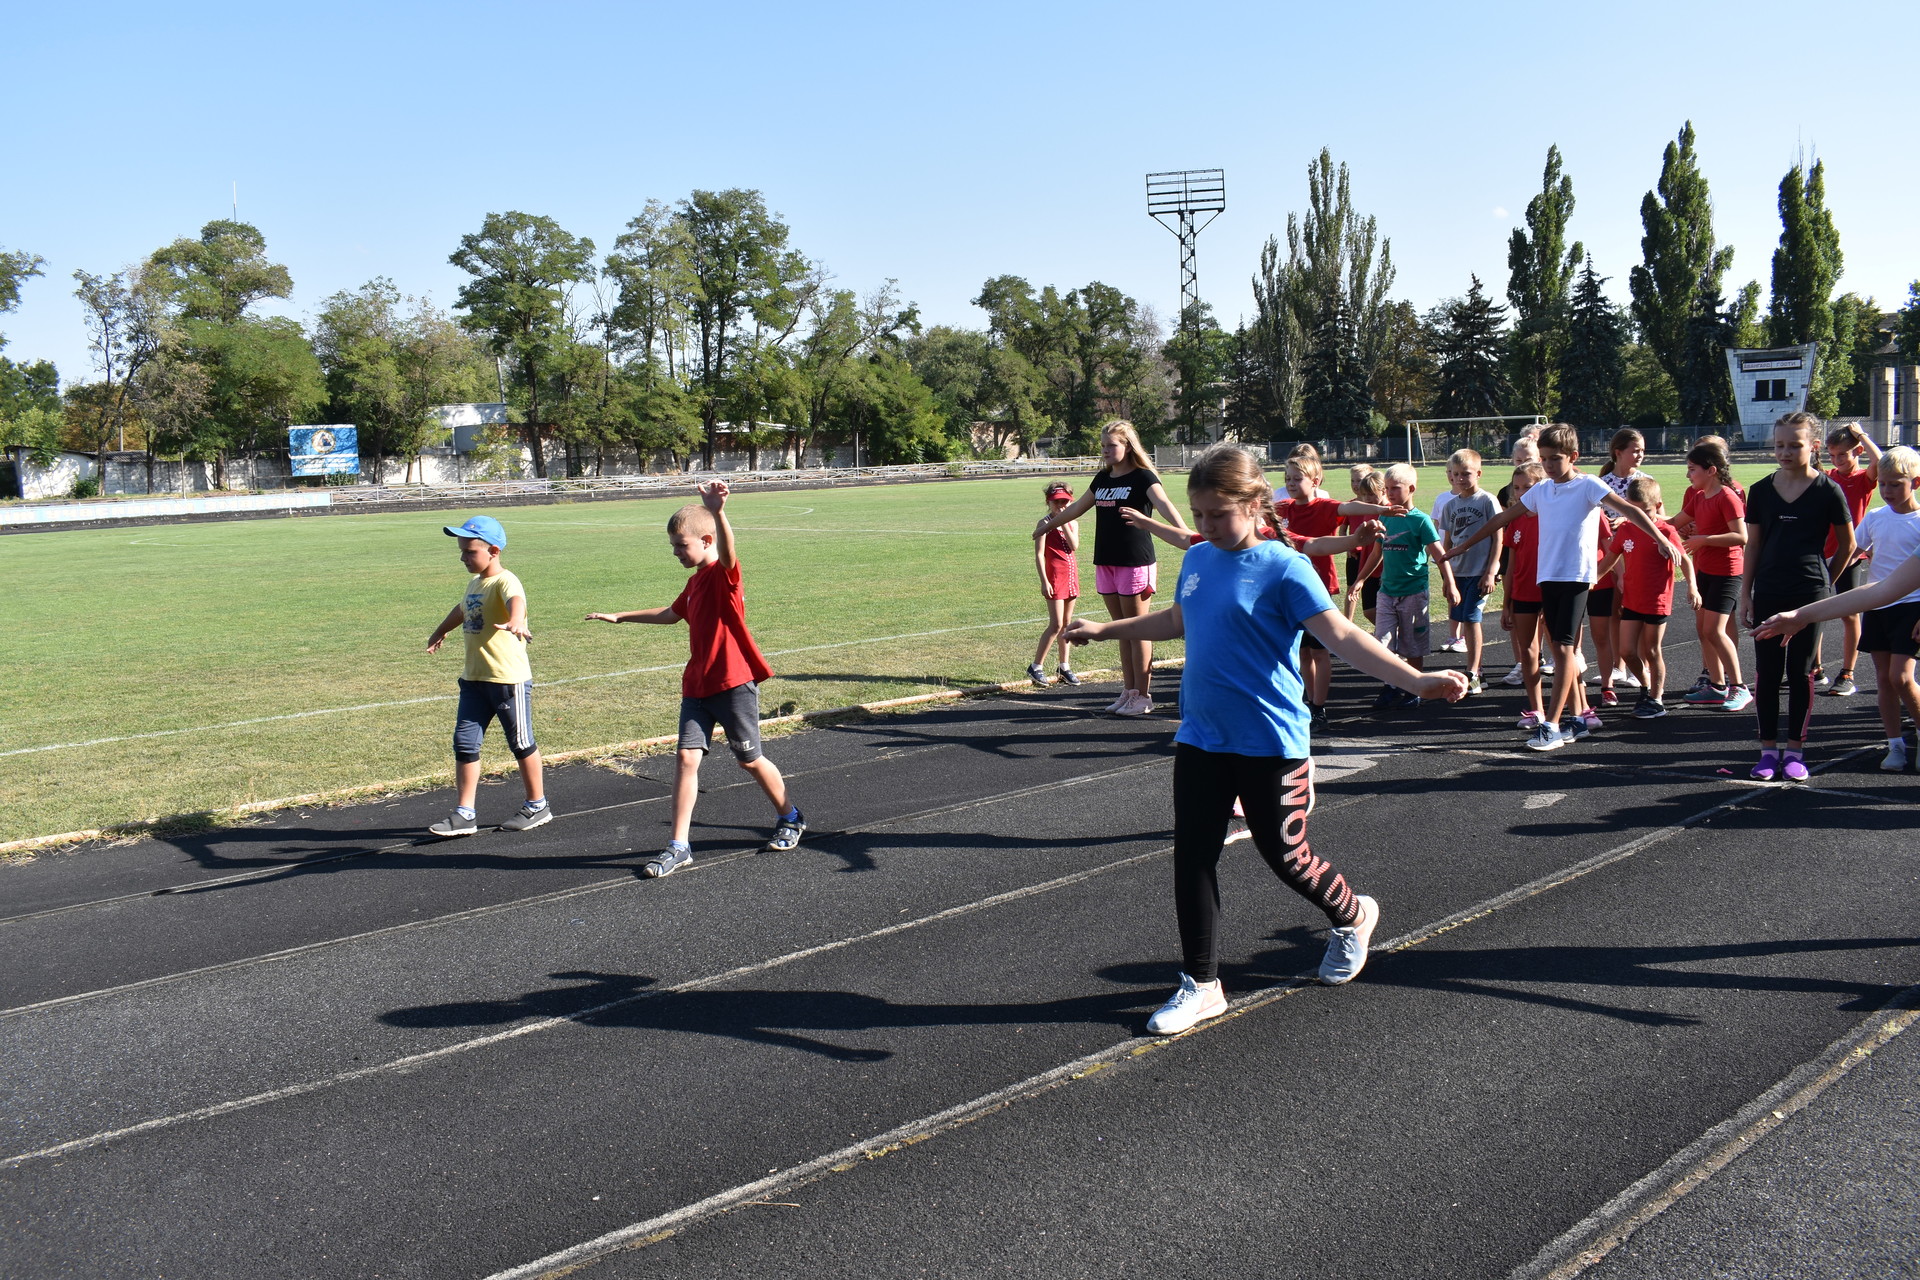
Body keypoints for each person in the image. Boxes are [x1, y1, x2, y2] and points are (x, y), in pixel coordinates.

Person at [1061, 445, 1467, 1036]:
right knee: (1192, 857)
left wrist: (1418, 680)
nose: (1204, 526)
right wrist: (1105, 628)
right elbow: (1177, 620)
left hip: (1270, 741)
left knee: (1287, 859)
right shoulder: (1199, 558)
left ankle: (1353, 915)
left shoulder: (1284, 567)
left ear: (1254, 505)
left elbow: (1342, 636)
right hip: (1201, 736)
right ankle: (1202, 984)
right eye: (1198, 514)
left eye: (1217, 514)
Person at [584, 481, 804, 875]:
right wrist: (621, 616)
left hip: (733, 685)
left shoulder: (723, 576)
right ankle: (678, 845)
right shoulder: (694, 582)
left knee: (750, 761)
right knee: (686, 759)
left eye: (680, 545)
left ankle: (790, 816)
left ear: (706, 541)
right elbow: (672, 614)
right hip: (697, 686)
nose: (675, 552)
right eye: (673, 546)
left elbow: (730, 554)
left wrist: (718, 512)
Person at [1442, 424, 1675, 751]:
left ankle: (1551, 725)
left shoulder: (1588, 485)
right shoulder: (1542, 490)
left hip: (1576, 579)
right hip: (1547, 578)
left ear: (1573, 456)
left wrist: (1661, 537)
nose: (1549, 465)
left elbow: (1631, 511)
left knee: (1564, 648)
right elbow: (1503, 519)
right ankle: (1577, 720)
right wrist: (1463, 546)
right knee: (1559, 648)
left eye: (1556, 459)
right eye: (1544, 459)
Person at [1035, 420, 1189, 716]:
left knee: (1137, 629)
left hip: (1135, 562)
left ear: (1127, 446)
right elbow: (1077, 507)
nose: (1105, 450)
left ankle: (1142, 696)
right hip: (1106, 561)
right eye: (1103, 445)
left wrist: (1186, 534)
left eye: (1112, 445)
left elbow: (1165, 505)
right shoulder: (1103, 478)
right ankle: (1128, 691)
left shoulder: (1143, 477)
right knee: (1120, 629)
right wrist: (1047, 526)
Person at [1740, 412, 1856, 781]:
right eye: (1779, 445)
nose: (1785, 452)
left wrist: (1825, 587)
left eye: (1794, 445)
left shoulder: (1827, 490)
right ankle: (1767, 751)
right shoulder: (1760, 490)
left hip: (1809, 594)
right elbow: (1753, 545)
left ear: (1814, 446)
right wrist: (1746, 592)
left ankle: (1794, 751)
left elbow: (1848, 545)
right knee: (1767, 673)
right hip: (1769, 590)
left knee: (1800, 672)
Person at [424, 515, 550, 837]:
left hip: (507, 680)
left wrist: (517, 620)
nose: (463, 558)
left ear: (493, 551)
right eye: (461, 551)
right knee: (465, 743)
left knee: (521, 743)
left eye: (470, 552)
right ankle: (464, 814)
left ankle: (538, 805)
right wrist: (440, 630)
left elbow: (516, 601)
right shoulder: (475, 583)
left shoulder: (506, 581)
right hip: (474, 681)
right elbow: (463, 609)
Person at [1273, 457, 1397, 726]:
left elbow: (1350, 506)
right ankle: (1309, 700)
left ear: (1315, 481)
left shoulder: (1324, 506)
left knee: (1319, 651)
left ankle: (1319, 706)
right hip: (1287, 588)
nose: (1291, 484)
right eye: (1287, 479)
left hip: (1316, 586)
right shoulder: (1282, 508)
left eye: (1297, 479)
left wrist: (1382, 509)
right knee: (1302, 652)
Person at [1833, 447, 1920, 768]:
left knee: (1901, 678)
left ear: (1916, 483)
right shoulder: (1875, 517)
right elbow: (1852, 550)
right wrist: (1822, 577)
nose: (1887, 490)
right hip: (1879, 606)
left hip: (1912, 608)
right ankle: (1895, 746)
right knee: (1884, 679)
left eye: (1896, 484)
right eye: (1883, 484)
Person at [1595, 478, 1696, 719]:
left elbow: (1685, 561)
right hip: (1632, 600)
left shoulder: (1665, 532)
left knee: (1651, 650)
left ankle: (1656, 697)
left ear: (1658, 505)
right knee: (1627, 650)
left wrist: (1692, 587)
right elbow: (1610, 559)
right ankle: (1645, 685)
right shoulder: (1626, 530)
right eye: (1634, 510)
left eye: (1646, 511)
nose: (1639, 516)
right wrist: (1593, 579)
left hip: (1656, 601)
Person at [1367, 464, 1460, 709]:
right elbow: (1377, 553)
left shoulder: (1421, 521)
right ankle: (1390, 685)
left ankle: (1414, 688)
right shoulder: (1384, 517)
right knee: (1382, 642)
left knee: (1412, 644)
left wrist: (1450, 583)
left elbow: (1439, 554)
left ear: (1411, 489)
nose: (1390, 494)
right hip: (1387, 591)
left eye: (1395, 488)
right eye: (1387, 489)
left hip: (1413, 593)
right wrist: (1360, 580)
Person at [1676, 442, 1752, 712]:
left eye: (1692, 469)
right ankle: (1717, 686)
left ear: (1711, 470)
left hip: (1727, 572)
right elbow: (1674, 522)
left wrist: (1704, 539)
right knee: (1705, 630)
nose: (1688, 475)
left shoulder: (1727, 497)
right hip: (1705, 570)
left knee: (1714, 630)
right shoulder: (1699, 497)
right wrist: (1637, 517)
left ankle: (1739, 686)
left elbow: (1741, 536)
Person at [1814, 423, 1883, 696]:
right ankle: (1815, 668)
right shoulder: (1828, 478)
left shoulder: (1864, 479)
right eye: (1832, 455)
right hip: (1822, 554)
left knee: (1849, 613)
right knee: (1814, 611)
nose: (1837, 460)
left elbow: (1881, 462)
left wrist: (1862, 435)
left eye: (1842, 454)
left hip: (1850, 556)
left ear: (1858, 452)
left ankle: (1847, 672)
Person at [1437, 449, 1500, 693]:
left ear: (1478, 473)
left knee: (1472, 620)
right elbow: (1447, 543)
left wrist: (1491, 571)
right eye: (1456, 474)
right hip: (1458, 572)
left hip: (1479, 572)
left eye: (1466, 474)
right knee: (1463, 618)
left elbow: (1498, 538)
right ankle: (1479, 673)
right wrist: (1447, 577)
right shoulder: (1450, 506)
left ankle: (1472, 672)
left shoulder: (1487, 501)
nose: (1460, 479)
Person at [1498, 463, 1548, 728]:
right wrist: (1506, 604)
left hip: (1552, 592)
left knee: (1564, 652)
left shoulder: (1552, 516)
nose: (1521, 493)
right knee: (1528, 652)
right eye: (1516, 488)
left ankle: (1579, 709)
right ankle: (1537, 708)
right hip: (1523, 594)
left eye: (1527, 487)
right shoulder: (1515, 520)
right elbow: (1511, 567)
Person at [1028, 481, 1082, 688]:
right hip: (1055, 577)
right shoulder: (1044, 523)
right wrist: (1044, 581)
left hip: (1070, 575)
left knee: (1066, 624)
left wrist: (1064, 522)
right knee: (1056, 624)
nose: (1061, 506)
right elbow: (1039, 555)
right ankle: (1036, 666)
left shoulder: (1072, 522)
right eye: (1056, 502)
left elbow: (1074, 546)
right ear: (1048, 502)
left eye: (1065, 502)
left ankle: (1064, 666)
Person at [1343, 465, 1387, 627]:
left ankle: (1392, 634)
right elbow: (1346, 529)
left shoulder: (1386, 511)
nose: (1367, 498)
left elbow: (1381, 547)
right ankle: (1390, 633)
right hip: (1364, 561)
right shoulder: (1361, 508)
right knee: (1368, 610)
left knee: (1382, 608)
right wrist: (1350, 545)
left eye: (1371, 494)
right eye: (1365, 494)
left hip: (1382, 566)